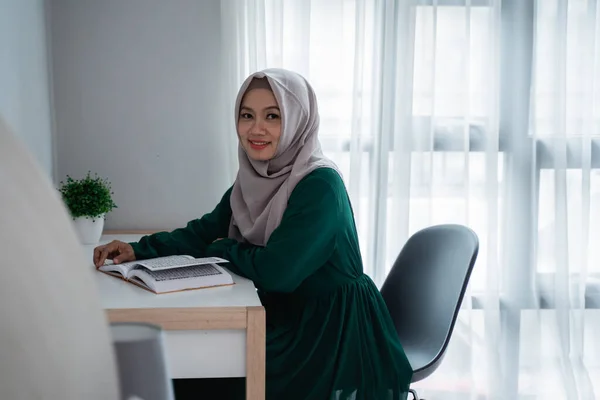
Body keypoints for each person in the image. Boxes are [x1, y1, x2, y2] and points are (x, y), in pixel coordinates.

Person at [94, 68, 413, 399]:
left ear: (297, 122)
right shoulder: (256, 177)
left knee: (204, 376)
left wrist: (225, 249)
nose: (256, 129)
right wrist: (139, 249)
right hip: (282, 313)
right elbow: (205, 231)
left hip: (329, 330)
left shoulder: (320, 186)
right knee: (189, 369)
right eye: (247, 115)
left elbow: (277, 272)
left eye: (272, 116)